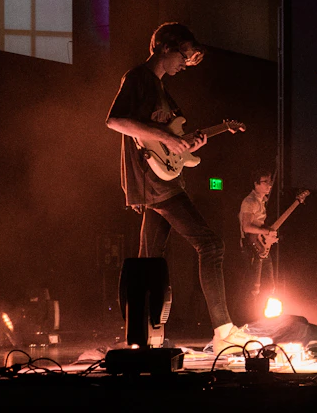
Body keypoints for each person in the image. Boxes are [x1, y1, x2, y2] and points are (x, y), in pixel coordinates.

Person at [105, 22, 265, 355]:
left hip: (163, 179)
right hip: (153, 181)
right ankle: (223, 329)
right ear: (165, 46)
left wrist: (189, 143)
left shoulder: (163, 90)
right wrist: (169, 138)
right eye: (183, 55)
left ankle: (143, 336)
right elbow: (116, 120)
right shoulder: (138, 78)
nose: (185, 64)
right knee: (212, 245)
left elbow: (171, 140)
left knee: (149, 258)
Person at [238, 168, 278, 322]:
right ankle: (251, 320)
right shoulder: (250, 202)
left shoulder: (261, 201)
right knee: (254, 287)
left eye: (270, 182)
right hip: (252, 248)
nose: (269, 185)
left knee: (269, 285)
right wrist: (264, 232)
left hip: (260, 245)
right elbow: (246, 227)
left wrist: (267, 235)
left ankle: (262, 319)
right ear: (256, 184)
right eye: (265, 182)